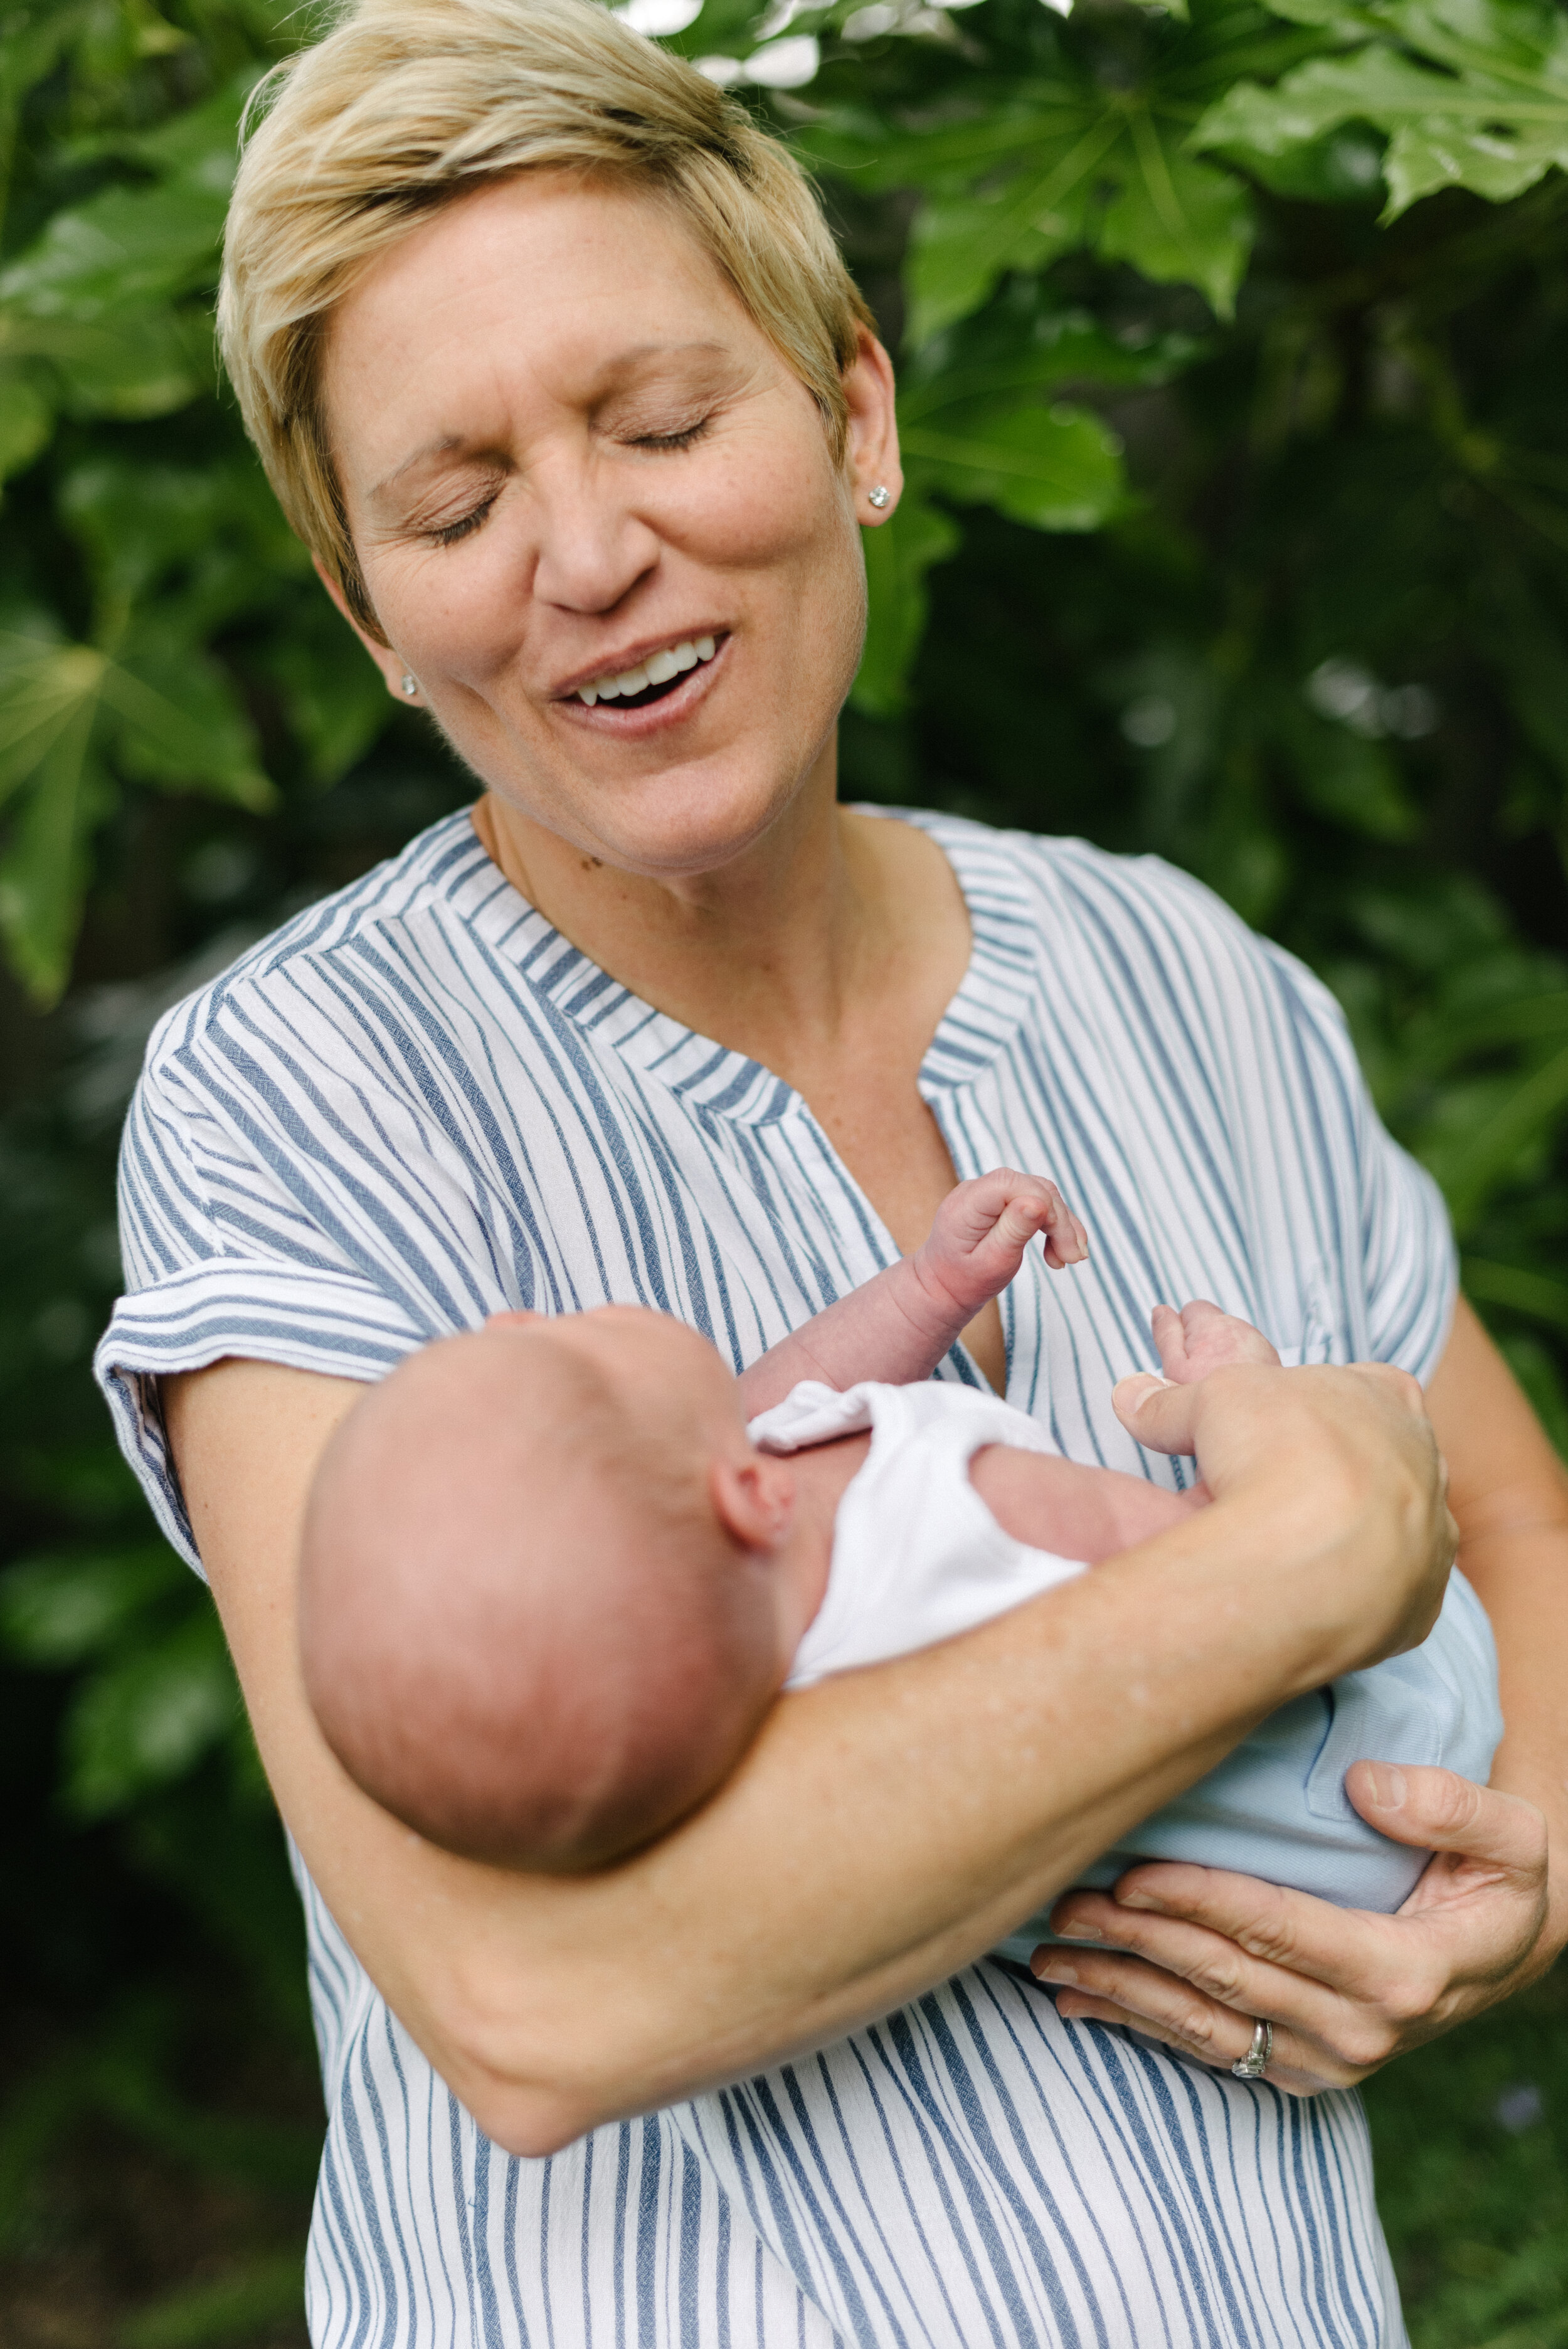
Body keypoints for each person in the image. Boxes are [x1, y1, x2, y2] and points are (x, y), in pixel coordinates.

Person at [92, 0, 1567, 2340]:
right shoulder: (304, 1089)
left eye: (666, 420)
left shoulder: (1179, 970)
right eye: (456, 510)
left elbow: (1520, 1519)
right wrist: (1304, 1555)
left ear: (855, 415)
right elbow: (531, 1988)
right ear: (375, 614)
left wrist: (1527, 1863)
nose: (587, 551)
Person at [299, 1175, 1499, 1914]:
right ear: (745, 1497)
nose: (520, 1316)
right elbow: (1235, 1571)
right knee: (1291, 1442)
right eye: (558, 1353)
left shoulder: (743, 1654)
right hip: (1385, 1736)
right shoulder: (957, 1521)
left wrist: (932, 1289)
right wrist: (1248, 1400)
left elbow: (770, 1407)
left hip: (1282, 1868)